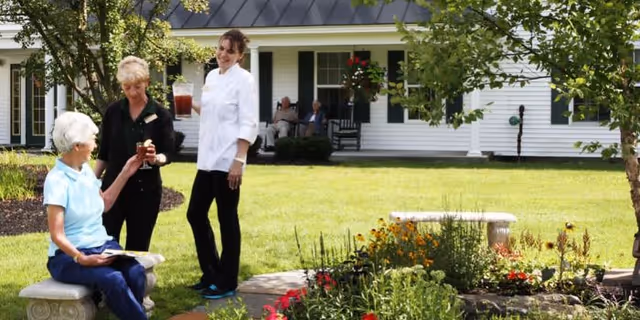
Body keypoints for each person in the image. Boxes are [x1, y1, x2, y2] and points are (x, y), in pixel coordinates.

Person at [44, 111, 148, 320]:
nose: (95, 143)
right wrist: (81, 258)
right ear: (77, 145)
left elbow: (104, 204)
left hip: (103, 247)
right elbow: (57, 234)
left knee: (136, 273)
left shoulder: (86, 172)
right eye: (92, 138)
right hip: (67, 257)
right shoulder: (57, 180)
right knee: (114, 280)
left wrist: (126, 171)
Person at [187, 28, 259, 299]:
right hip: (207, 159)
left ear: (240, 55)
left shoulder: (245, 80)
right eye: (221, 48)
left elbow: (248, 121)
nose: (223, 54)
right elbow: (212, 111)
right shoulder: (211, 77)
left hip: (229, 159)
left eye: (230, 50)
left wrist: (239, 160)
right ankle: (211, 273)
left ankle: (227, 281)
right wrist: (190, 104)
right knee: (195, 213)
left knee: (226, 218)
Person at [95, 56, 175, 252]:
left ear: (147, 81)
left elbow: (169, 152)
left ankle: (134, 282)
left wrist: (156, 159)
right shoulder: (113, 112)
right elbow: (103, 151)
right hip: (113, 188)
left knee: (137, 251)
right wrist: (91, 182)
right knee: (105, 246)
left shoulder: (160, 114)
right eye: (127, 87)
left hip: (145, 192)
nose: (132, 92)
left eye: (137, 86)